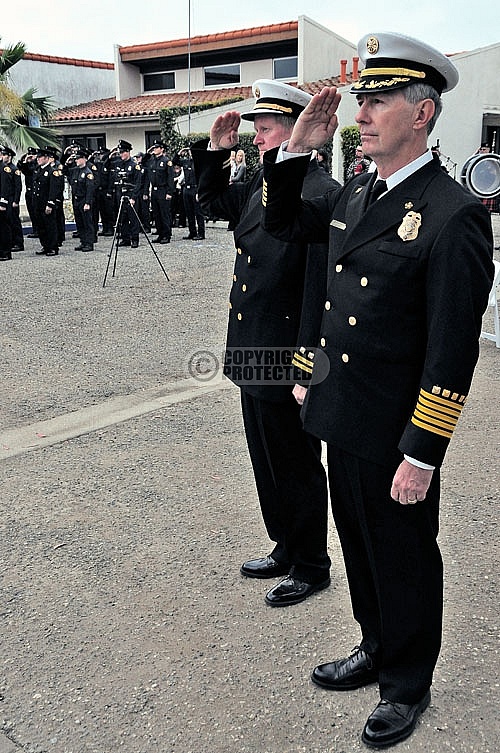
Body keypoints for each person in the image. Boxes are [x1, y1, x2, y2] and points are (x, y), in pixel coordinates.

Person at [260, 33, 494, 746]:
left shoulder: (452, 214)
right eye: (362, 100)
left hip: (396, 430)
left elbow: (451, 351)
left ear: (422, 113)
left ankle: (406, 682)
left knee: (403, 555)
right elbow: (283, 226)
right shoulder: (358, 190)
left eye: (380, 100)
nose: (363, 112)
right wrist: (296, 149)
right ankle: (374, 643)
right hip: (345, 413)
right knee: (358, 545)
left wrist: (422, 453)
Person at [192, 80, 341, 607]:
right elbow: (209, 201)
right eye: (255, 128)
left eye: (267, 126)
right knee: (266, 459)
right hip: (254, 351)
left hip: (287, 357)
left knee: (296, 464)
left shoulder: (321, 195)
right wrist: (216, 150)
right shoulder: (263, 186)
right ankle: (285, 544)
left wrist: (304, 369)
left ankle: (311, 564)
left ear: (302, 129)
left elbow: (316, 293)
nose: (257, 136)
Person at [32, 146, 64, 256]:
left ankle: (53, 247)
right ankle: (45, 245)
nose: (38, 159)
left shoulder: (52, 171)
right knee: (41, 226)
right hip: (38, 203)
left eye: (40, 157)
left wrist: (50, 204)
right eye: (37, 157)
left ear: (46, 158)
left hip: (46, 203)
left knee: (50, 226)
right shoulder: (38, 170)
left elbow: (53, 189)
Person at [114, 139, 142, 248]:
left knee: (133, 218)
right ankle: (125, 238)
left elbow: (138, 183)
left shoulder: (134, 166)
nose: (121, 154)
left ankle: (134, 239)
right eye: (120, 152)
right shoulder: (118, 164)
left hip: (131, 195)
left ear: (128, 152)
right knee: (122, 218)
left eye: (122, 152)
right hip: (121, 194)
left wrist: (134, 197)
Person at [67, 148, 96, 252]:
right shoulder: (75, 170)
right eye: (76, 159)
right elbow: (65, 172)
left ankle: (89, 243)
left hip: (84, 200)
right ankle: (83, 242)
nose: (76, 161)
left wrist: (87, 203)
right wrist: (67, 162)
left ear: (84, 159)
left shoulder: (88, 172)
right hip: (76, 200)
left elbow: (90, 189)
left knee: (87, 223)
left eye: (78, 159)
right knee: (79, 223)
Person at [148, 141, 175, 244]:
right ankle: (160, 234)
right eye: (154, 148)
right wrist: (149, 152)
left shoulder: (166, 161)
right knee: (157, 214)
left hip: (163, 190)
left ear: (162, 149)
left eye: (157, 148)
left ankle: (166, 235)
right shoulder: (152, 160)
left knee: (164, 213)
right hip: (154, 190)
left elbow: (170, 178)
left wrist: (169, 192)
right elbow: (144, 161)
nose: (154, 149)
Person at [176, 148, 205, 241]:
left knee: (198, 213)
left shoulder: (199, 163)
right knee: (189, 212)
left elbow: (202, 179)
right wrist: (180, 153)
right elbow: (174, 161)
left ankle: (201, 233)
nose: (191, 154)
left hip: (195, 188)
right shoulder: (186, 162)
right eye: (190, 152)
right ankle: (192, 232)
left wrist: (199, 192)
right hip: (186, 188)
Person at [0, 146, 24, 252]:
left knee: (14, 222)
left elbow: (18, 187)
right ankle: (10, 242)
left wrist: (16, 201)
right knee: (8, 222)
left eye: (5, 155)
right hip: (6, 198)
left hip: (11, 199)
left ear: (9, 157)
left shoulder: (14, 169)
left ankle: (18, 242)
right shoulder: (3, 167)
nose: (3, 157)